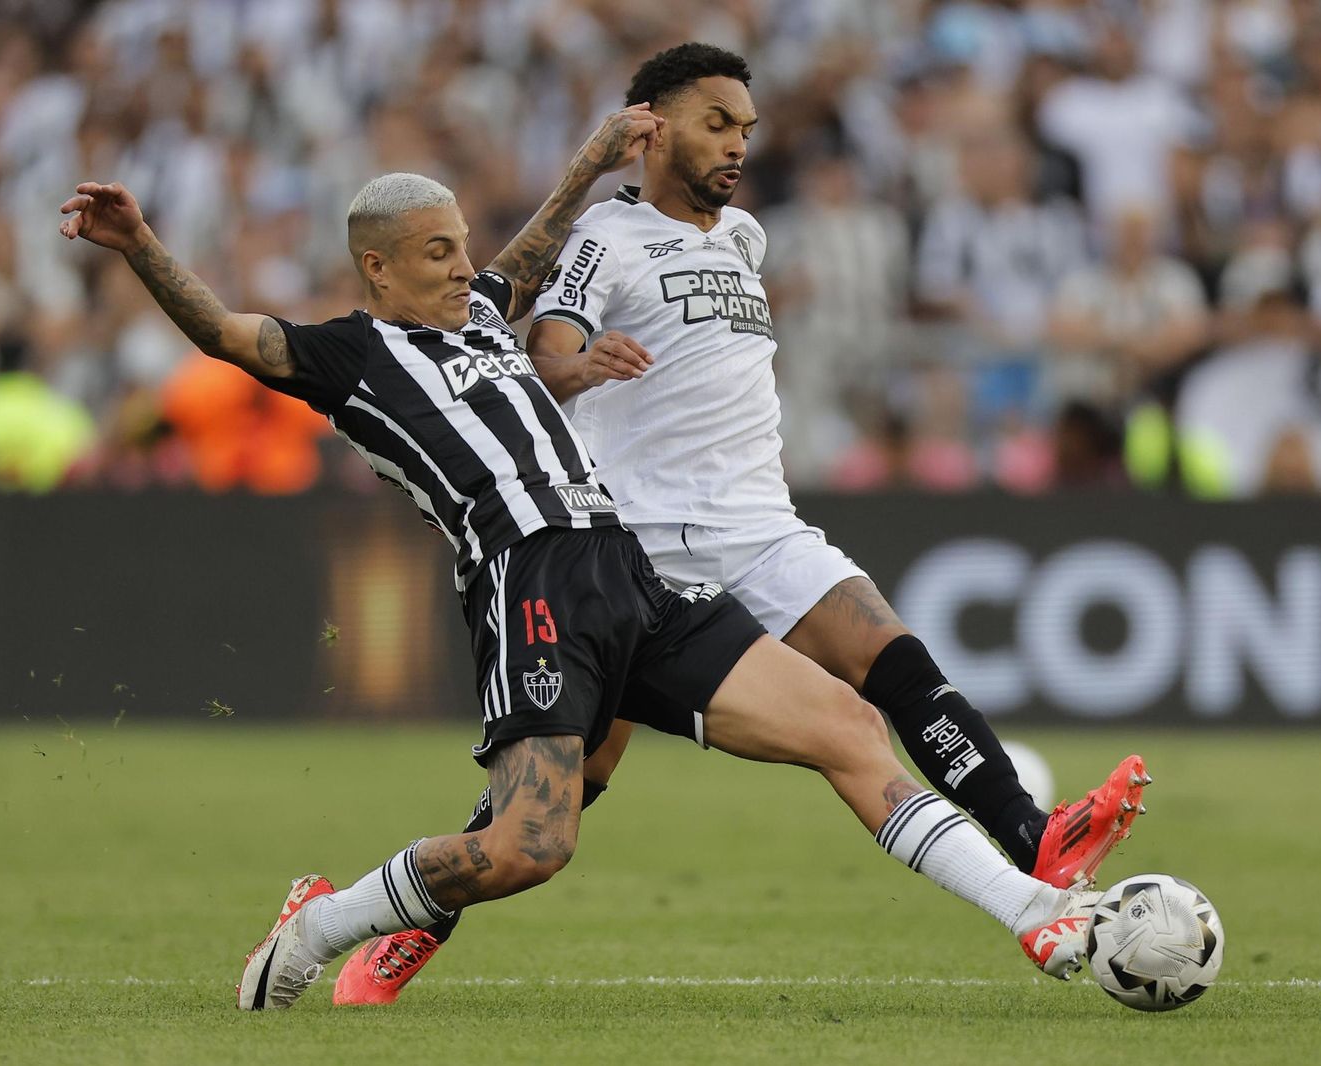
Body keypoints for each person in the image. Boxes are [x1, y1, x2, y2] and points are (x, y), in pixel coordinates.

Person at [59, 105, 1105, 1012]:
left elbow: (531, 245)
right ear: (376, 266)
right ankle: (320, 923)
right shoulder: (350, 357)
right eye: (436, 251)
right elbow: (227, 334)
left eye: (461, 245)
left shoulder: (480, 312)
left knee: (848, 724)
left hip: (626, 567)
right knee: (529, 846)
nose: (463, 266)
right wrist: (140, 242)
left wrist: (594, 161)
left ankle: (1034, 914)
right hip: (529, 584)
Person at [335, 44, 1148, 1007]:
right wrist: (582, 366)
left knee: (890, 657)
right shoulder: (606, 237)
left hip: (760, 520)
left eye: (746, 130)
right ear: (654, 128)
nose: (736, 145)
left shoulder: (747, 238)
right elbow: (535, 363)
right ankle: (409, 927)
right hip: (638, 535)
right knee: (573, 777)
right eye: (716, 123)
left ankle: (1033, 837)